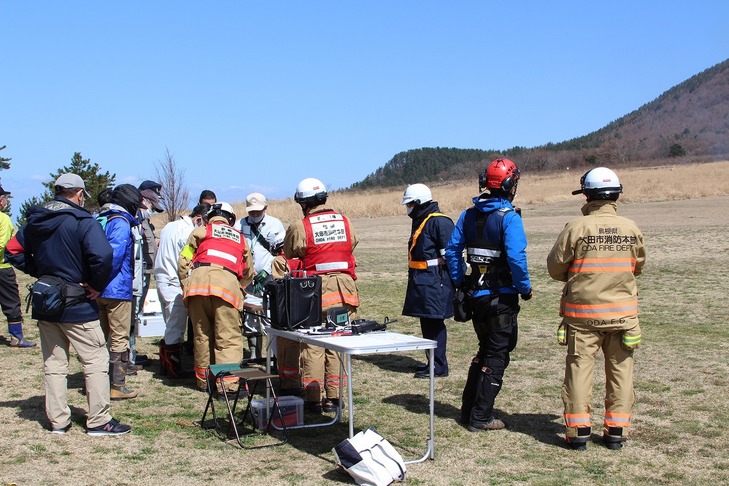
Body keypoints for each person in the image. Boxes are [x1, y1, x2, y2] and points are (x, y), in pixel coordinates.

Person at [6, 173, 131, 435]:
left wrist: (42, 274)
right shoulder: (83, 221)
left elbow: (13, 250)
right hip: (77, 301)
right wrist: (95, 285)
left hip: (46, 301)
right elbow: (103, 254)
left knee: (54, 364)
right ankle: (98, 420)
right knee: (96, 360)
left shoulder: (35, 220)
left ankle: (58, 421)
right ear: (80, 194)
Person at [547, 167, 645, 451]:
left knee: (579, 371)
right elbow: (637, 267)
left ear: (587, 195)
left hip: (582, 318)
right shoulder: (631, 228)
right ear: (616, 194)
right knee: (621, 371)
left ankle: (578, 433)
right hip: (623, 318)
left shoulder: (576, 228)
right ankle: (616, 431)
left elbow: (555, 269)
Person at [445, 158, 532, 432]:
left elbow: (452, 251)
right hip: (500, 298)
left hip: (475, 295)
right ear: (510, 185)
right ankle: (481, 416)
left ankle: (468, 409)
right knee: (497, 355)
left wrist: (461, 281)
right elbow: (517, 258)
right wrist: (525, 288)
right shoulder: (509, 218)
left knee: (484, 351)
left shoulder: (468, 215)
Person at [283, 178, 359, 413]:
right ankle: (334, 398)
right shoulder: (345, 222)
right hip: (345, 289)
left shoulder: (301, 225)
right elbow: (352, 244)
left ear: (303, 203)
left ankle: (313, 398)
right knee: (338, 341)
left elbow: (289, 251)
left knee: (313, 345)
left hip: (314, 290)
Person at [177, 202, 254, 393]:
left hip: (197, 288)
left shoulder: (200, 232)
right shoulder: (240, 238)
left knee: (202, 336)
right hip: (226, 289)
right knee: (227, 338)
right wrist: (239, 288)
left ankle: (204, 382)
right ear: (230, 219)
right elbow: (248, 272)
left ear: (210, 217)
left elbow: (183, 260)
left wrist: (186, 284)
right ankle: (227, 386)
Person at [400, 183, 454, 378]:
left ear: (420, 202)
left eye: (410, 204)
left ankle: (439, 366)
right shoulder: (422, 219)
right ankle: (433, 362)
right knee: (427, 323)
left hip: (435, 282)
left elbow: (451, 256)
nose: (408, 209)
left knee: (434, 324)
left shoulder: (440, 222)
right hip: (423, 281)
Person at [96, 184, 143, 400]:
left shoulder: (100, 218)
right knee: (119, 338)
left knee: (102, 337)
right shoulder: (121, 223)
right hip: (116, 289)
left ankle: (101, 379)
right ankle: (117, 384)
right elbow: (113, 257)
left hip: (97, 290)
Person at [153, 203, 209, 378]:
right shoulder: (188, 233)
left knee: (170, 322)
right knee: (175, 326)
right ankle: (172, 366)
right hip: (174, 281)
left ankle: (167, 363)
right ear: (199, 219)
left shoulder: (170, 226)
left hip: (162, 277)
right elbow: (187, 261)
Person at [235, 192, 286, 362]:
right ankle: (254, 355)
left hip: (269, 279)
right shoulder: (239, 225)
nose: (255, 215)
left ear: (266, 208)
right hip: (247, 279)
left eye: (258, 211)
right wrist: (247, 271)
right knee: (250, 317)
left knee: (269, 318)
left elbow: (280, 252)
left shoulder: (274, 224)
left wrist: (266, 270)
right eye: (252, 211)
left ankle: (273, 357)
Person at [131, 181, 164, 367]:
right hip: (137, 273)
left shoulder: (145, 221)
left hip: (144, 272)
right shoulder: (134, 219)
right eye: (151, 204)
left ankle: (131, 353)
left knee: (135, 315)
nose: (151, 209)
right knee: (131, 315)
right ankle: (129, 356)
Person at [0, 184, 36, 348]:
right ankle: (17, 337)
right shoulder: (4, 219)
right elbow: (3, 244)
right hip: (2, 268)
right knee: (11, 302)